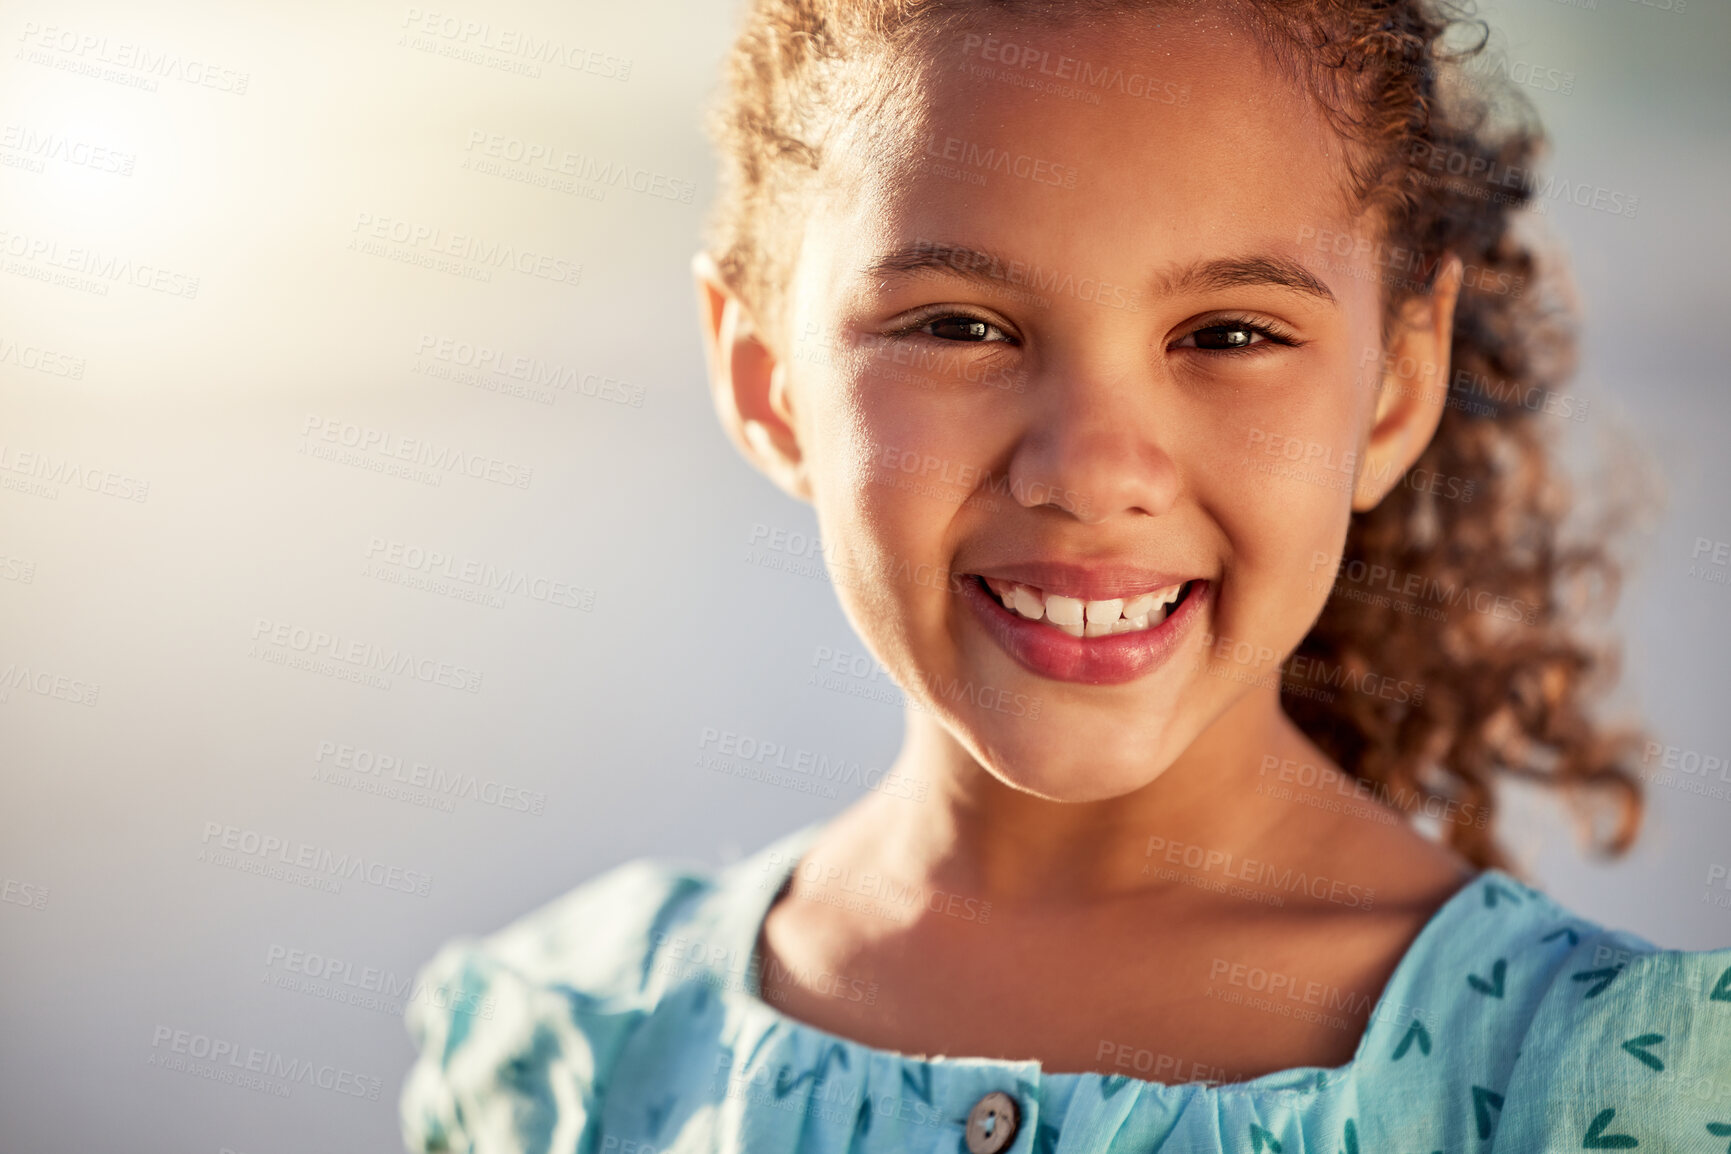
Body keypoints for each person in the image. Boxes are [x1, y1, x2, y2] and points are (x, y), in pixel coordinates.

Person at [399, 2, 1731, 1150]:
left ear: (1395, 388)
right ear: (768, 380)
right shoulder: (572, 1050)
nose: (1091, 471)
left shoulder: (1601, 1088)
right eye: (961, 325)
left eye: (1228, 332)